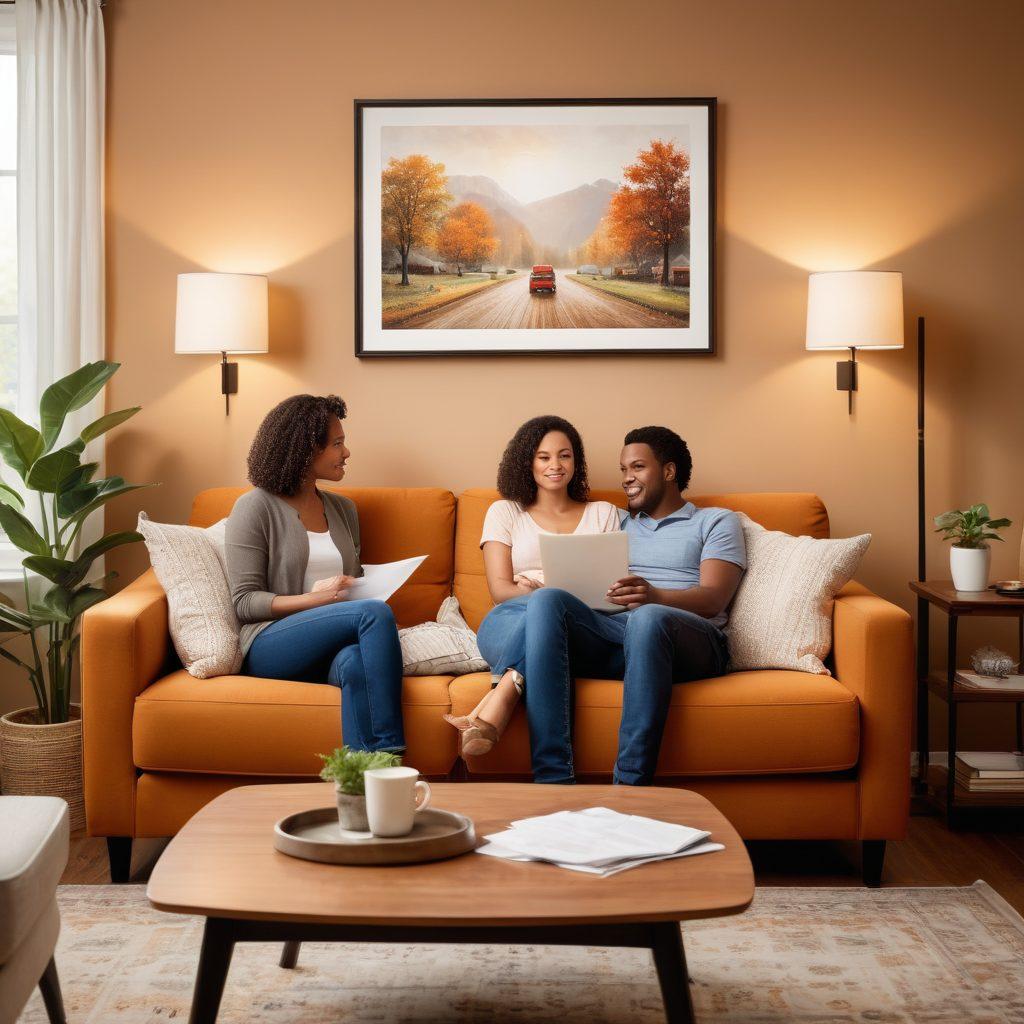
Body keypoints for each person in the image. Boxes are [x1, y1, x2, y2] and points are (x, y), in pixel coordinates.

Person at [515, 426, 746, 785]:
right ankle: (553, 779)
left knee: (648, 618)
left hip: (692, 640)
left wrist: (656, 597)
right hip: (621, 636)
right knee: (547, 600)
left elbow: (715, 597)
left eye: (637, 467)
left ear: (668, 472)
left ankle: (630, 786)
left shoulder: (715, 521)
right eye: (623, 470)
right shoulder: (617, 523)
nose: (626, 479)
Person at [226, 394, 405, 753]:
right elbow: (244, 602)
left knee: (356, 665)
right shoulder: (254, 507)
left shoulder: (342, 509)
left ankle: (363, 782)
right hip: (270, 643)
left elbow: (351, 586)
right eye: (337, 443)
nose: (347, 452)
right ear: (306, 450)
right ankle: (392, 757)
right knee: (373, 614)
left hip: (332, 645)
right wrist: (314, 599)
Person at [443, 415, 619, 763]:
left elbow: (609, 593)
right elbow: (500, 591)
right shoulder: (504, 512)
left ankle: (503, 693)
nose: (556, 465)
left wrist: (547, 593)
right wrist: (538, 596)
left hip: (581, 624)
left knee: (550, 607)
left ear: (576, 460)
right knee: (544, 608)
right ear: (528, 463)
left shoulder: (604, 513)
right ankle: (510, 699)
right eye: (544, 457)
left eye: (565, 455)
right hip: (509, 619)